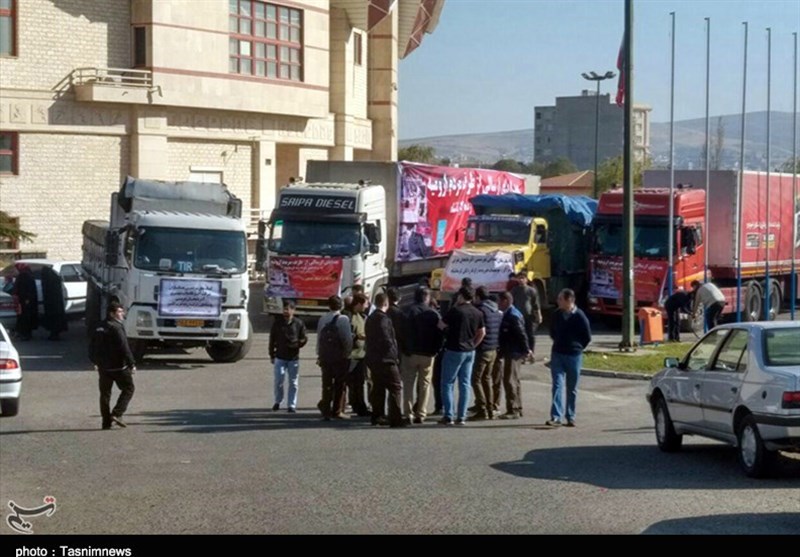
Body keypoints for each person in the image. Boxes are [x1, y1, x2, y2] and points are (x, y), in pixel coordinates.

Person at [439, 286, 486, 426]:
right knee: (465, 384)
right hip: (469, 351)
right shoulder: (478, 312)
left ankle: (449, 415)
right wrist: (474, 344)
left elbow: (440, 325)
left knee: (447, 383)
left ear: (460, 296)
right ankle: (462, 416)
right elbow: (482, 332)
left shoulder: (455, 311)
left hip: (454, 349)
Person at [547, 288, 592, 427]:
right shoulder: (556, 314)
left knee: (572, 388)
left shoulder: (579, 316)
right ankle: (556, 416)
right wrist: (558, 341)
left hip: (574, 355)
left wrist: (577, 347)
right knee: (557, 385)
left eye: (560, 299)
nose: (558, 301)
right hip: (558, 354)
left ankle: (570, 416)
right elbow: (552, 331)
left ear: (570, 300)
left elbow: (587, 336)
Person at [90, 301, 136, 430]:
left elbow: (92, 345)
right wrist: (131, 363)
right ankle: (117, 413)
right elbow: (124, 346)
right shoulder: (116, 327)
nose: (122, 314)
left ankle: (106, 423)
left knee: (105, 394)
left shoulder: (98, 326)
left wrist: (94, 361)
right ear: (112, 313)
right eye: (120, 312)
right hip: (118, 366)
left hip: (103, 367)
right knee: (129, 388)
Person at [401, 287, 443, 424]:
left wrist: (404, 348)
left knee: (408, 383)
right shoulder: (433, 314)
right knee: (424, 384)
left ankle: (408, 413)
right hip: (428, 353)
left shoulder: (407, 312)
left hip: (410, 353)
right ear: (427, 298)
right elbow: (440, 334)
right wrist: (436, 350)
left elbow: (401, 333)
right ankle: (421, 412)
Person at [365, 292, 405, 427]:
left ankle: (377, 416)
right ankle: (395, 418)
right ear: (386, 304)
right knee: (395, 387)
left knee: (378, 387)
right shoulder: (384, 319)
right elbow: (387, 339)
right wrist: (394, 355)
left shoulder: (370, 318)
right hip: (386, 358)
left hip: (373, 358)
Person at [316, 296, 353, 420]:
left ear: (328, 306)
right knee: (340, 384)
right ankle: (337, 410)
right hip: (339, 357)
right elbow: (347, 339)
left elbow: (319, 338)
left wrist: (319, 354)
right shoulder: (343, 319)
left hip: (325, 356)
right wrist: (347, 354)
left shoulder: (323, 318)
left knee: (326, 384)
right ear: (341, 306)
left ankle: (326, 411)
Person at [468, 287, 502, 421]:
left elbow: (479, 331)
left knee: (475, 379)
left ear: (477, 296)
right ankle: (490, 407)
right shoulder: (495, 310)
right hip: (493, 348)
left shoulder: (481, 311)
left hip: (482, 349)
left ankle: (482, 408)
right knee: (486, 379)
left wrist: (473, 344)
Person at [269, 300, 307, 413]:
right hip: (280, 356)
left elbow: (304, 338)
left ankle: (291, 405)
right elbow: (272, 340)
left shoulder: (299, 323)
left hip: (293, 358)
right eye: (284, 309)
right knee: (278, 380)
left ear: (293, 310)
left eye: (288, 309)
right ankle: (278, 401)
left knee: (293, 382)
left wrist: (298, 344)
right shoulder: (277, 323)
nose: (286, 311)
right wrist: (271, 354)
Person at [497, 291, 531, 420]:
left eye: (499, 301)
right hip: (512, 350)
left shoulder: (512, 315)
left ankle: (513, 409)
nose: (498, 304)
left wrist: (526, 350)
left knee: (510, 380)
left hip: (514, 351)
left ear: (505, 301)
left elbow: (521, 334)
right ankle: (517, 407)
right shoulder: (511, 313)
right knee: (514, 380)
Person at [345, 293, 370, 417]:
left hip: (361, 355)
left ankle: (359, 406)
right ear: (359, 304)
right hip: (351, 355)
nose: (367, 306)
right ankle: (350, 405)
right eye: (365, 303)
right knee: (349, 383)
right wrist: (357, 337)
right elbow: (345, 334)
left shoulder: (361, 316)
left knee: (359, 383)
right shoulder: (348, 316)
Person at [510, 272, 541, 360]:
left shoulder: (531, 290)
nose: (521, 280)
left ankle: (531, 352)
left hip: (529, 316)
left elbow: (536, 304)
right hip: (518, 317)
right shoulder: (514, 290)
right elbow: (511, 303)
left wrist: (539, 315)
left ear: (526, 280)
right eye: (519, 278)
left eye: (523, 278)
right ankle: (523, 353)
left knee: (530, 335)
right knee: (521, 335)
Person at [40, 265, 68, 341]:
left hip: (52, 305)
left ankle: (54, 334)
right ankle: (55, 334)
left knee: (54, 321)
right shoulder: (53, 277)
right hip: (56, 304)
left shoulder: (49, 279)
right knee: (55, 321)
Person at [12, 263, 37, 341]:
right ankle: (26, 333)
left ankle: (24, 334)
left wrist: (26, 299)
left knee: (24, 317)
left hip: (24, 300)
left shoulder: (24, 275)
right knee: (26, 317)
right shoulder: (28, 274)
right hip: (27, 300)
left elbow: (24, 288)